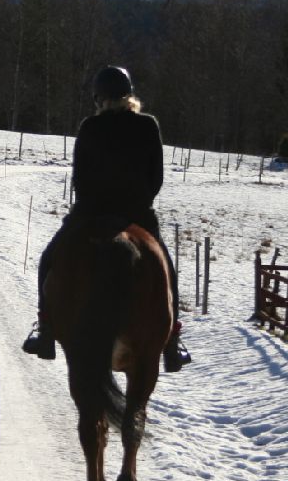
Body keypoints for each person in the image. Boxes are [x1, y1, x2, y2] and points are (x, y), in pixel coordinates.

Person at [22, 65, 190, 372]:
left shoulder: (90, 127)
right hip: (137, 215)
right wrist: (137, 204)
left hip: (91, 214)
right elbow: (156, 179)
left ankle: (45, 331)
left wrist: (92, 206)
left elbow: (80, 181)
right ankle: (171, 342)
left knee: (48, 260)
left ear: (99, 97)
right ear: (129, 95)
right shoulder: (148, 125)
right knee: (167, 270)